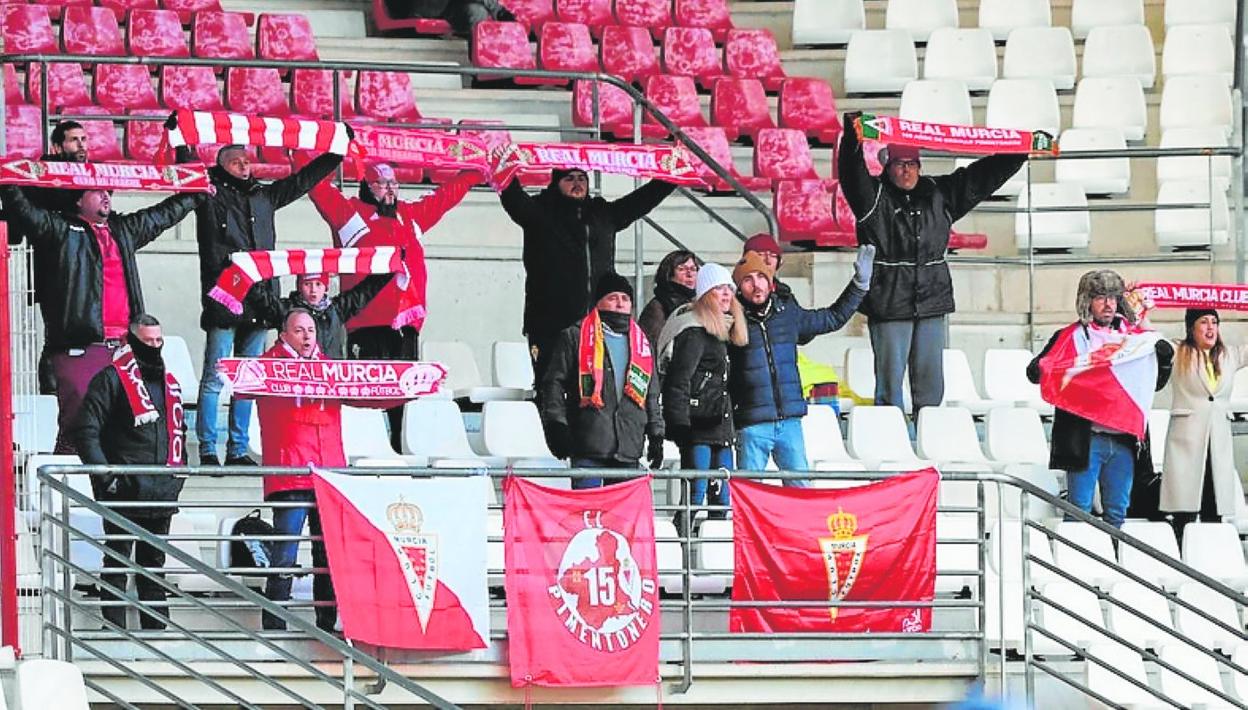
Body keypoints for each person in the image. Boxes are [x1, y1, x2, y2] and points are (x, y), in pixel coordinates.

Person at [839, 111, 1029, 415]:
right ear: (887, 167)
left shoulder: (939, 193)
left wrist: (1019, 150)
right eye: (900, 165)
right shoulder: (872, 198)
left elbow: (979, 179)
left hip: (932, 301)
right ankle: (890, 444)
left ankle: (930, 441)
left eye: (912, 164)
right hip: (888, 302)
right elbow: (851, 171)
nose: (906, 171)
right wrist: (852, 134)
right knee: (889, 387)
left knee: (931, 385)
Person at [0, 184, 203, 455]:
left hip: (125, 348)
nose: (106, 196)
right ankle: (64, 489)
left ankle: (110, 488)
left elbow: (162, 215)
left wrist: (196, 192)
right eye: (97, 192)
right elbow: (24, 211)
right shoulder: (59, 228)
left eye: (109, 191)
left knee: (124, 421)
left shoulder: (124, 229)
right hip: (81, 346)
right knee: (78, 422)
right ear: (79, 200)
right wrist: (9, 181)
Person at [185, 140, 344, 467]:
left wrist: (336, 153)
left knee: (248, 380)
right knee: (216, 378)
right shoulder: (208, 193)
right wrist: (181, 143)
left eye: (246, 161)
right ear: (222, 165)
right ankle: (207, 449)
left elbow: (301, 182)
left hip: (261, 304)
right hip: (225, 301)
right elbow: (185, 171)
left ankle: (238, 450)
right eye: (236, 162)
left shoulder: (264, 196)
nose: (245, 166)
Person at [302, 159, 476, 450]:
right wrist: (325, 155)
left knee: (403, 395)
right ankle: (360, 449)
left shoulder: (410, 215)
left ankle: (400, 449)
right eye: (382, 184)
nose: (390, 190)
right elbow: (317, 187)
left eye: (393, 184)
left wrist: (473, 172)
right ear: (367, 188)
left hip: (406, 323)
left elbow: (444, 198)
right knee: (364, 393)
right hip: (365, 322)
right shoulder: (350, 214)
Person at [499, 167, 679, 383]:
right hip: (550, 324)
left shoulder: (603, 213)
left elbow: (643, 199)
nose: (578, 184)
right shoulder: (539, 211)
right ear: (555, 183)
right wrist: (503, 168)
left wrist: (673, 175)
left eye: (582, 178)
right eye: (569, 179)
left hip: (599, 325)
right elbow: (513, 198)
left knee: (597, 389)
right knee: (550, 387)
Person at [1025, 270, 1174, 528]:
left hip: (1124, 441)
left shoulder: (1134, 340)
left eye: (1113, 298)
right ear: (1087, 301)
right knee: (1079, 509)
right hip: (1086, 439)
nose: (1108, 304)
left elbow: (1154, 385)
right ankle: (1073, 563)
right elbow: (1035, 372)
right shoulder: (1069, 337)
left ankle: (1114, 562)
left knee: (1118, 511)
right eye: (1100, 297)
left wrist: (1163, 359)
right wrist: (1052, 366)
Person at [72, 314, 186, 631]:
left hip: (161, 489)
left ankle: (156, 631)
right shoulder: (109, 379)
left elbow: (178, 432)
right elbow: (86, 430)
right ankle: (115, 630)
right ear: (132, 341)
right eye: (147, 341)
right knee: (118, 560)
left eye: (158, 341)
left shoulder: (169, 384)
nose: (154, 346)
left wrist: (178, 477)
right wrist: (106, 478)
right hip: (122, 490)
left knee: (154, 565)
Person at [729, 246, 874, 481]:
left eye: (761, 277)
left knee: (800, 490)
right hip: (752, 424)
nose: (756, 285)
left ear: (771, 281)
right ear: (738, 287)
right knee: (749, 495)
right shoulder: (730, 321)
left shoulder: (787, 313)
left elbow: (832, 318)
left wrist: (858, 286)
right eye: (747, 280)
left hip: (790, 422)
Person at [254, 309, 341, 632]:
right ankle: (275, 626)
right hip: (289, 471)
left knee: (327, 556)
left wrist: (411, 388)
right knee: (284, 554)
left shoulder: (330, 369)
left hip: (327, 472)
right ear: (283, 335)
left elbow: (368, 395)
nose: (307, 336)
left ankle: (326, 626)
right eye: (299, 330)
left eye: (311, 330)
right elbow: (240, 388)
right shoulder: (267, 367)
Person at [538, 272, 663, 489]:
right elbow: (553, 384)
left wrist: (656, 434)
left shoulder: (642, 343)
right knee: (588, 514)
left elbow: (651, 393)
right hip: (588, 442)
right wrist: (557, 424)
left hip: (629, 445)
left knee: (620, 519)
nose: (619, 303)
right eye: (613, 297)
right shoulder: (574, 336)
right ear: (598, 302)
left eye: (625, 299)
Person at [656, 263, 746, 535]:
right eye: (719, 289)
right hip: (698, 429)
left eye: (729, 289)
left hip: (721, 427)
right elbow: (678, 382)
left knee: (722, 496)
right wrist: (680, 426)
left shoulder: (724, 334)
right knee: (695, 496)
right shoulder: (694, 332)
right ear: (706, 294)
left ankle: (715, 559)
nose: (726, 294)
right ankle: (682, 551)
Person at [5, 120, 91, 395]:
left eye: (84, 139)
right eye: (74, 140)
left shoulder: (93, 174)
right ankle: (51, 396)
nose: (82, 145)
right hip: (53, 269)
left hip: (87, 268)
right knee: (56, 338)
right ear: (57, 146)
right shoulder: (39, 180)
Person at [1161, 308, 1248, 536]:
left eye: (1214, 322)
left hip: (1216, 439)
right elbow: (1151, 337)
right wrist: (1139, 311)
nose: (1210, 328)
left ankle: (1212, 551)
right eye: (1204, 322)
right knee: (1185, 503)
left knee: (1214, 498)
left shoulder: (1229, 355)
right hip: (1187, 439)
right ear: (1191, 328)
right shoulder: (1179, 350)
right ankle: (1182, 548)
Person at [255, 272, 392, 360]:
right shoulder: (286, 309)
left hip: (330, 379)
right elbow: (262, 298)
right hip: (296, 380)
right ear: (299, 287)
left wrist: (391, 267)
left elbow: (366, 290)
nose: (313, 290)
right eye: (307, 284)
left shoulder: (337, 309)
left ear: (326, 287)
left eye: (318, 284)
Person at [638, 250, 700, 345]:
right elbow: (650, 346)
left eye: (693, 269)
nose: (690, 274)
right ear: (668, 274)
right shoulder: (657, 307)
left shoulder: (698, 302)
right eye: (682, 269)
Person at [382, 0, 513, 36]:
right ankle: (499, 12)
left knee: (477, 12)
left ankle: (483, 71)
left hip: (448, 7)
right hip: (416, 6)